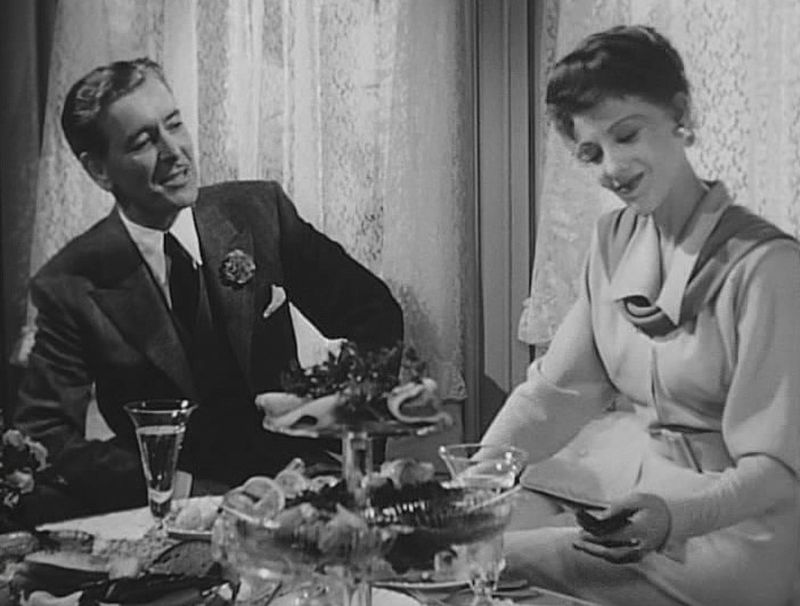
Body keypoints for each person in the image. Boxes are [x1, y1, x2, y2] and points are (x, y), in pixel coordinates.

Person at [482, 25, 800, 606]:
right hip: (639, 518)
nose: (613, 167)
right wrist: (472, 485)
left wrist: (676, 518)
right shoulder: (614, 243)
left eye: (627, 135)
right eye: (592, 153)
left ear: (680, 115)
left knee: (477, 570)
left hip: (738, 536)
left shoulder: (768, 268)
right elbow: (555, 395)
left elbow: (777, 469)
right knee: (457, 553)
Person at [13, 58, 403, 518]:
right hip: (179, 512)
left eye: (174, 124)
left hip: (298, 490)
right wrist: (178, 487)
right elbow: (45, 435)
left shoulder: (260, 212)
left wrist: (342, 417)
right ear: (99, 170)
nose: (174, 151)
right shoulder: (70, 283)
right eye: (143, 141)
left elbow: (375, 315)